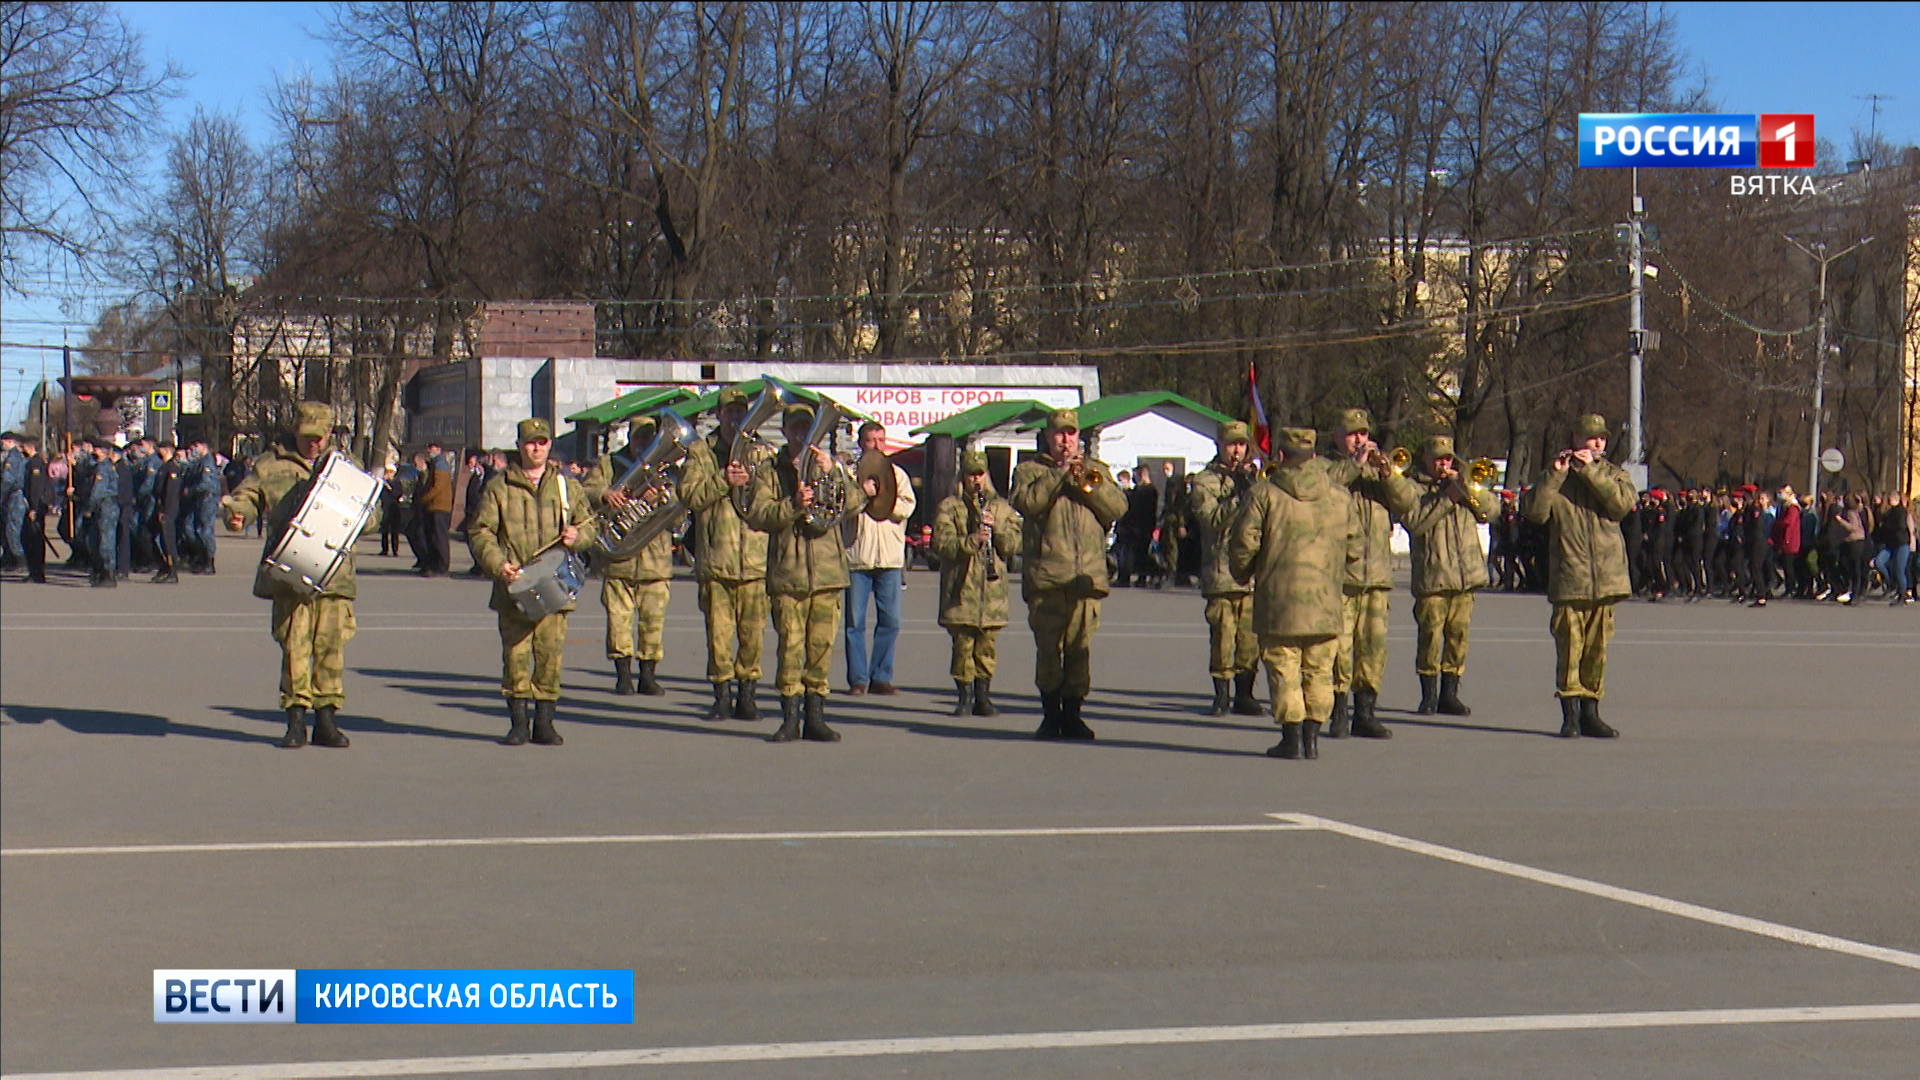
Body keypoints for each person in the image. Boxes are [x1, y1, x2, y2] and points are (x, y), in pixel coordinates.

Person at [220, 403, 363, 749]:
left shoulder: (346, 468)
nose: (312, 444)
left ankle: (326, 720)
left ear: (329, 434)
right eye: (305, 437)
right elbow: (248, 497)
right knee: (295, 648)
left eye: (319, 437)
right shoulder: (271, 464)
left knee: (331, 648)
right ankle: (295, 720)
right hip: (290, 571)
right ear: (294, 431)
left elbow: (371, 513)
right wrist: (237, 515)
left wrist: (353, 518)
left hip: (334, 574)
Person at [466, 418, 598, 746]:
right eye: (529, 442)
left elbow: (590, 526)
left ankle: (545, 721)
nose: (536, 448)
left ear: (549, 444)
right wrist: (499, 564)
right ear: (519, 445)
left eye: (541, 442)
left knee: (550, 654)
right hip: (515, 585)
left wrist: (578, 536)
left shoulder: (567, 486)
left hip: (555, 584)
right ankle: (518, 722)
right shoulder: (499, 486)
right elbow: (480, 531)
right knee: (516, 655)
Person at [742, 402, 867, 742]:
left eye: (807, 429)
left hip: (827, 573)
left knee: (822, 646)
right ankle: (789, 718)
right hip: (788, 573)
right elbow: (757, 514)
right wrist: (793, 505)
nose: (801, 435)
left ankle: (816, 717)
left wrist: (835, 474)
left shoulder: (830, 466)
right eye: (795, 428)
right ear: (784, 431)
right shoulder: (770, 471)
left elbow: (857, 503)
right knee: (791, 647)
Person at [1228, 427, 1350, 760]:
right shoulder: (1340, 496)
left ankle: (1291, 738)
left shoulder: (1264, 494)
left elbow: (1244, 543)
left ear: (1281, 457)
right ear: (1313, 457)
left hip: (1279, 601)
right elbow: (1354, 547)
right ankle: (1313, 737)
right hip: (1325, 602)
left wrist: (1242, 573)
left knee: (1284, 669)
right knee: (1320, 671)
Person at [1010, 409, 1128, 739]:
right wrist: (1059, 474)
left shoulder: (1095, 470)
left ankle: (1074, 713)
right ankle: (1050, 714)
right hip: (1047, 576)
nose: (1065, 440)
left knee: (1080, 649)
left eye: (1071, 434)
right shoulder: (1029, 471)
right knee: (1049, 649)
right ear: (1048, 436)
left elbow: (1118, 508)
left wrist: (1088, 482)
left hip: (1086, 577)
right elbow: (1029, 504)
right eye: (1059, 434)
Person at [1521, 413, 1633, 738]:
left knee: (1597, 649)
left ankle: (1591, 712)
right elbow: (1535, 512)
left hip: (1606, 578)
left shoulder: (1612, 473)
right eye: (1590, 438)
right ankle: (1569, 714)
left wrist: (1591, 471)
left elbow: (1621, 505)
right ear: (1575, 440)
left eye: (1601, 438)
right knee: (1570, 647)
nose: (1597, 443)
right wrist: (1554, 478)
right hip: (1571, 576)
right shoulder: (1557, 476)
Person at [677, 387, 772, 720]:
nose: (735, 417)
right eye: (729, 412)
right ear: (719, 415)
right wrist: (722, 480)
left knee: (753, 635)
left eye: (740, 411)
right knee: (718, 635)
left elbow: (770, 498)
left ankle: (747, 695)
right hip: (717, 560)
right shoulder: (700, 452)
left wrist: (752, 480)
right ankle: (721, 695)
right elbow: (689, 495)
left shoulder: (761, 451)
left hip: (755, 561)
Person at [1324, 408, 1416, 738]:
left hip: (1376, 574)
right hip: (1340, 576)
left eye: (1363, 433)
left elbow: (1408, 503)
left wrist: (1388, 473)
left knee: (1373, 647)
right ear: (1337, 436)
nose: (1360, 439)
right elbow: (1322, 489)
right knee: (1339, 646)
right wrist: (1354, 465)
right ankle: (1336, 710)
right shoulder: (1327, 468)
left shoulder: (1379, 474)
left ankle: (1365, 711)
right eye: (1352, 434)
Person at [1401, 435, 1494, 715]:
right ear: (1426, 460)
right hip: (1433, 577)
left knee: (1458, 637)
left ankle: (1449, 693)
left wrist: (1471, 491)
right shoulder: (1412, 487)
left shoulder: (1464, 483)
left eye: (1448, 458)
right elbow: (1415, 523)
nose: (1444, 464)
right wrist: (1446, 499)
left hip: (1465, 576)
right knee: (1430, 637)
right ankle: (1428, 694)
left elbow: (1491, 512)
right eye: (1438, 459)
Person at [585, 415, 675, 697]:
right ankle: (623, 676)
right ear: (630, 439)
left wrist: (660, 497)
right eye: (638, 438)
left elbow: (682, 502)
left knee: (653, 621)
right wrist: (605, 494)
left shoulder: (666, 467)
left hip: (654, 558)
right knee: (618, 619)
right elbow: (584, 490)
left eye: (649, 439)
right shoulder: (609, 464)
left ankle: (648, 675)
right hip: (620, 557)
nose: (643, 444)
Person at [929, 449, 1022, 716]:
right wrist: (972, 540)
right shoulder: (950, 506)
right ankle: (964, 696)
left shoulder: (1001, 507)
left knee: (987, 647)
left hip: (991, 592)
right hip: (961, 589)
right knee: (963, 646)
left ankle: (984, 695)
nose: (976, 480)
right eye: (971, 474)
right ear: (963, 476)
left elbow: (1016, 544)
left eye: (980, 474)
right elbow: (941, 543)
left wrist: (998, 531)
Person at [1189, 421, 1262, 717]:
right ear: (1220, 445)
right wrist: (1238, 496)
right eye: (1232, 444)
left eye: (1242, 445)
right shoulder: (1205, 481)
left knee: (1250, 640)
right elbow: (1212, 519)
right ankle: (1221, 694)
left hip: (1251, 574)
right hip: (1221, 572)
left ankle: (1245, 694)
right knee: (1223, 637)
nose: (1237, 451)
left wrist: (1254, 488)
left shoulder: (1254, 480)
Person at [842, 420, 917, 695]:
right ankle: (858, 680)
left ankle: (881, 676)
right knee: (854, 623)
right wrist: (863, 494)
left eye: (881, 440)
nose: (877, 445)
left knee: (891, 621)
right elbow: (841, 507)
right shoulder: (849, 474)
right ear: (861, 443)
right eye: (871, 440)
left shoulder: (897, 474)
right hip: (857, 557)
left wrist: (884, 500)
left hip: (889, 559)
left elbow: (908, 506)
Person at [1114, 463, 1158, 587]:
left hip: (1143, 526)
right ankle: (1138, 577)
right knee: (1136, 553)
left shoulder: (1149, 490)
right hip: (1135, 525)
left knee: (1142, 553)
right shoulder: (1138, 489)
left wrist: (1146, 527)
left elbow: (1147, 510)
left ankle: (1145, 576)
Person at [82, 439, 119, 587]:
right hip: (101, 505)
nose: (93, 451)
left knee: (105, 541)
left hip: (106, 505)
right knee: (94, 539)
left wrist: (89, 509)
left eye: (96, 449)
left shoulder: (103, 468)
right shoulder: (99, 466)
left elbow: (97, 491)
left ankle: (108, 574)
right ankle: (100, 571)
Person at [417, 441, 454, 575]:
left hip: (439, 506)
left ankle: (441, 566)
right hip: (434, 506)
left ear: (438, 449)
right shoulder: (435, 464)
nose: (428, 451)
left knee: (439, 537)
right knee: (433, 537)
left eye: (431, 449)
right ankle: (433, 564)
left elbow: (437, 487)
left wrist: (425, 498)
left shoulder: (440, 464)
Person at [150, 441, 182, 583]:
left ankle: (172, 571)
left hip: (168, 509)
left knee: (168, 540)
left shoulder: (172, 468)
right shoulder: (164, 467)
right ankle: (163, 567)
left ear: (167, 450)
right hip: (160, 507)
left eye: (161, 449)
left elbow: (170, 492)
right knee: (150, 536)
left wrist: (164, 511)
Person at [19, 437, 50, 583]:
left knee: (34, 540)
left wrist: (33, 508)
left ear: (29, 447)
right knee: (29, 539)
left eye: (23, 447)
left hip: (35, 507)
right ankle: (34, 571)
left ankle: (37, 572)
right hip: (33, 506)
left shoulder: (35, 463)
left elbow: (35, 488)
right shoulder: (33, 462)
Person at [2, 431, 26, 569]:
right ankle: (13, 558)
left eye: (4, 441)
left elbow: (7, 479)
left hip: (14, 497)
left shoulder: (12, 458)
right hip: (14, 496)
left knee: (12, 530)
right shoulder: (16, 456)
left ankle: (19, 560)